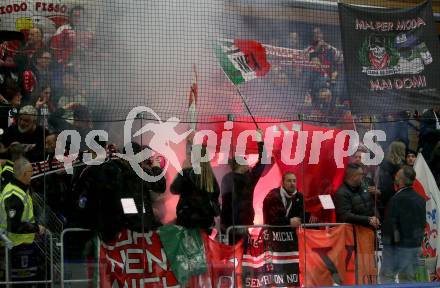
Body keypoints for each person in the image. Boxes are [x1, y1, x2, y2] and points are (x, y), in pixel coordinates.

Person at [220, 128, 270, 243]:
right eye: (246, 163)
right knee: (242, 256)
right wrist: (260, 140)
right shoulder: (248, 179)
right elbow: (263, 162)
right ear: (242, 165)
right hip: (241, 225)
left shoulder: (226, 178)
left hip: (226, 225)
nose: (249, 166)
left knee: (229, 257)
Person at [380, 166, 426, 284]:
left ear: (400, 180)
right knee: (408, 280)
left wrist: (387, 244)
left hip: (396, 247)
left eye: (396, 175)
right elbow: (422, 223)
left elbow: (390, 224)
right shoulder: (420, 199)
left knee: (387, 278)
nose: (395, 177)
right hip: (414, 246)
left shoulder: (396, 199)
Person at [171, 144, 220, 231]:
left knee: (188, 244)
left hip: (187, 219)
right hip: (206, 220)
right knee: (202, 244)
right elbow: (215, 198)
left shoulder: (186, 173)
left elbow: (173, 189)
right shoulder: (210, 177)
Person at [0, 157, 45, 247]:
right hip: (14, 243)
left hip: (21, 241)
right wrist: (36, 228)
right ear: (24, 174)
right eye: (31, 172)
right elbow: (14, 225)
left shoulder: (21, 188)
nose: (32, 175)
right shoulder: (14, 195)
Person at [334, 163, 379, 228]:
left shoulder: (364, 187)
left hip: (369, 230)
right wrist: (368, 219)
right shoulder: (342, 193)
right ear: (353, 176)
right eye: (361, 174)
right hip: (353, 233)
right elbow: (345, 216)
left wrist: (376, 217)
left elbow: (371, 204)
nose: (363, 176)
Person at [378, 140, 406, 219]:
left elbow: (385, 183)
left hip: (387, 198)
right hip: (398, 196)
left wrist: (381, 192)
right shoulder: (403, 166)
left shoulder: (385, 164)